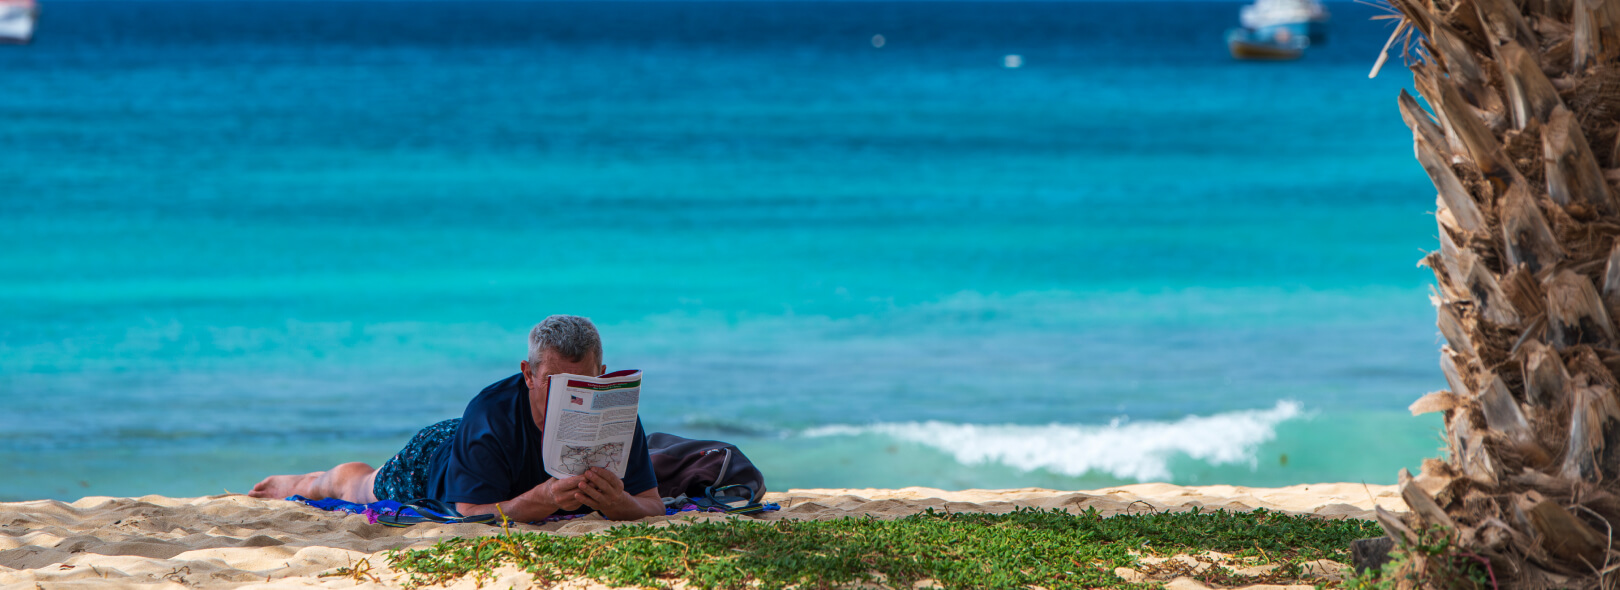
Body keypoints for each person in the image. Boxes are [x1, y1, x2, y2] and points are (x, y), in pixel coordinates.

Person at [247, 315, 664, 522]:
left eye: (583, 383)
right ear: (528, 375)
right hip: (437, 458)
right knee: (359, 485)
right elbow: (469, 513)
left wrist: (621, 504)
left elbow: (651, 507)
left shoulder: (615, 411)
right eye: (555, 382)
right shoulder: (491, 415)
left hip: (481, 450)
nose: (570, 395)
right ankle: (299, 481)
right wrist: (545, 500)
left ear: (602, 376)